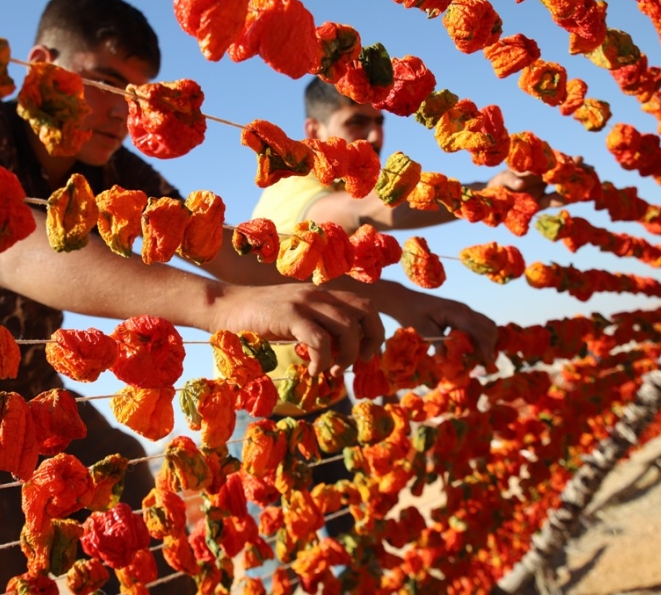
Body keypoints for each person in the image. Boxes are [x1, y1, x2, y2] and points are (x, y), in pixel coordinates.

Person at [0, 0, 384, 594]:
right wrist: (221, 306)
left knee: (141, 532)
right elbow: (0, 241)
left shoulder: (114, 171)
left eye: (138, 93)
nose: (125, 111)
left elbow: (222, 248)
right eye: (105, 83)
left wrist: (393, 304)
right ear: (42, 66)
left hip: (31, 390)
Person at [229, 77, 553, 584]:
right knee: (282, 570)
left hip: (325, 404)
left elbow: (339, 266)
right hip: (265, 419)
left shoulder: (324, 196)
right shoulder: (300, 194)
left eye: (379, 121)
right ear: (313, 131)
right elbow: (371, 209)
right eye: (357, 122)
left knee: (355, 549)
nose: (376, 136)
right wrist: (481, 193)